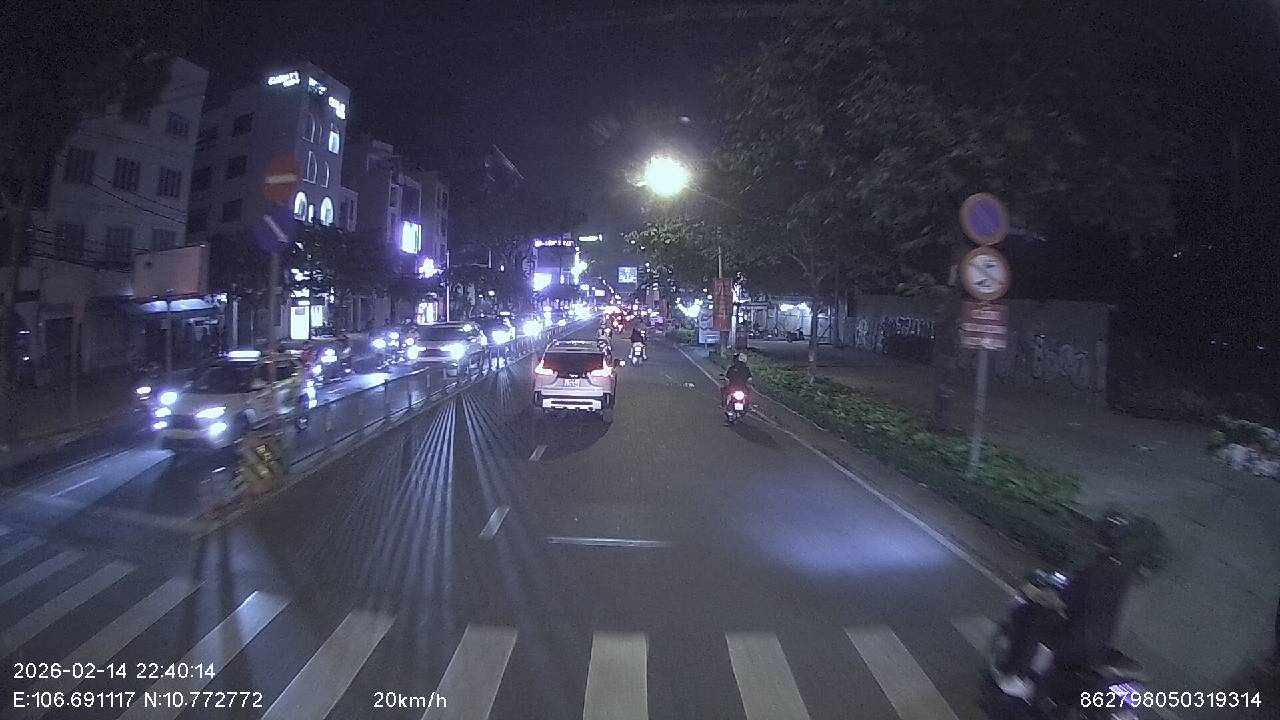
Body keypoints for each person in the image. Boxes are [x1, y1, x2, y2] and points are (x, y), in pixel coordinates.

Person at [996, 512, 1138, 700]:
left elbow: (1059, 601)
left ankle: (1019, 678)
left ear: (1100, 539)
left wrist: (1034, 593)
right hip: (1101, 641)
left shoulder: (1093, 572)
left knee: (1029, 619)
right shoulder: (1122, 574)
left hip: (1076, 642)